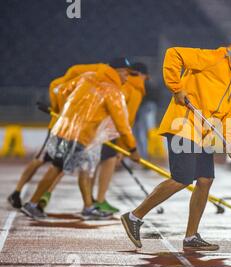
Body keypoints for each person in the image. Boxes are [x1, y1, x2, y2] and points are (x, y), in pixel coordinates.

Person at [120, 33, 231, 251]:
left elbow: (230, 114)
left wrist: (230, 141)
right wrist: (176, 87)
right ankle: (134, 216)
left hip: (204, 134)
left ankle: (191, 237)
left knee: (206, 179)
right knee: (182, 178)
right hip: (183, 125)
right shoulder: (212, 58)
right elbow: (174, 54)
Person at [20, 63, 140, 220]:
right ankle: (32, 203)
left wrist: (62, 110)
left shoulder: (87, 77)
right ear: (118, 71)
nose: (127, 78)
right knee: (57, 168)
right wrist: (132, 149)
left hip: (64, 128)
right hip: (79, 136)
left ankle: (88, 207)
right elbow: (122, 126)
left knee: (85, 168)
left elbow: (60, 90)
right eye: (126, 74)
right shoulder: (112, 92)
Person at [6, 63, 106, 210]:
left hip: (65, 129)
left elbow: (59, 107)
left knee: (55, 163)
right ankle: (21, 192)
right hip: (60, 129)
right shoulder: (69, 85)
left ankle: (34, 194)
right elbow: (61, 108)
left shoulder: (64, 85)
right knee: (46, 161)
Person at [92, 61, 148, 213]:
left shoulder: (127, 86)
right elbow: (124, 120)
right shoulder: (133, 89)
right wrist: (126, 148)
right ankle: (98, 201)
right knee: (102, 163)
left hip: (105, 130)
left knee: (95, 165)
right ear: (142, 75)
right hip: (109, 132)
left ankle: (95, 201)